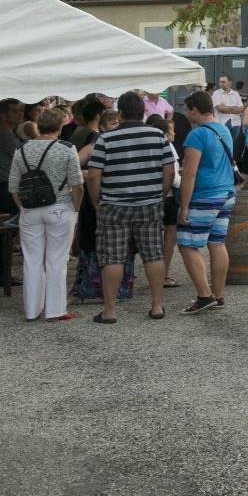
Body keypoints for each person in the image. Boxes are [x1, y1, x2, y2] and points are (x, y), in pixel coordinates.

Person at [83, 91, 177, 323]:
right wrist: (160, 194)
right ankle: (156, 306)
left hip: (114, 205)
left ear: (121, 113)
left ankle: (110, 310)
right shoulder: (158, 135)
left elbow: (94, 175)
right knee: (153, 254)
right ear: (143, 112)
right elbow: (170, 170)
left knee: (112, 257)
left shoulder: (106, 139)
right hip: (150, 203)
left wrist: (97, 202)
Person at [9, 106, 82, 321]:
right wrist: (75, 210)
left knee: (31, 260)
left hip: (30, 210)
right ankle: (55, 309)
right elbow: (77, 184)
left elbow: (14, 187)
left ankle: (32, 311)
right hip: (59, 207)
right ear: (59, 126)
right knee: (57, 260)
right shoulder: (67, 148)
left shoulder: (20, 150)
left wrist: (23, 207)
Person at [175, 91, 238, 313]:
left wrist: (184, 206)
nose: (185, 113)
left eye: (186, 109)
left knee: (187, 244)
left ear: (194, 110)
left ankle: (204, 295)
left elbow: (189, 173)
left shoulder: (197, 135)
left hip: (204, 195)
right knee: (217, 243)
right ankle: (218, 294)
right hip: (226, 193)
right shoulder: (224, 130)